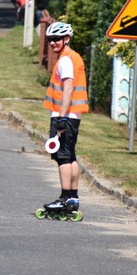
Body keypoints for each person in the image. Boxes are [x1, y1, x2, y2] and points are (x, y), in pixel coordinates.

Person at [41, 22, 89, 216]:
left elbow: (68, 88)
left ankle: (64, 198)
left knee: (63, 158)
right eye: (50, 40)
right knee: (70, 156)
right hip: (73, 116)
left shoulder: (66, 60)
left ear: (66, 39)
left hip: (65, 116)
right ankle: (73, 198)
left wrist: (60, 118)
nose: (52, 43)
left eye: (56, 39)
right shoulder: (73, 57)